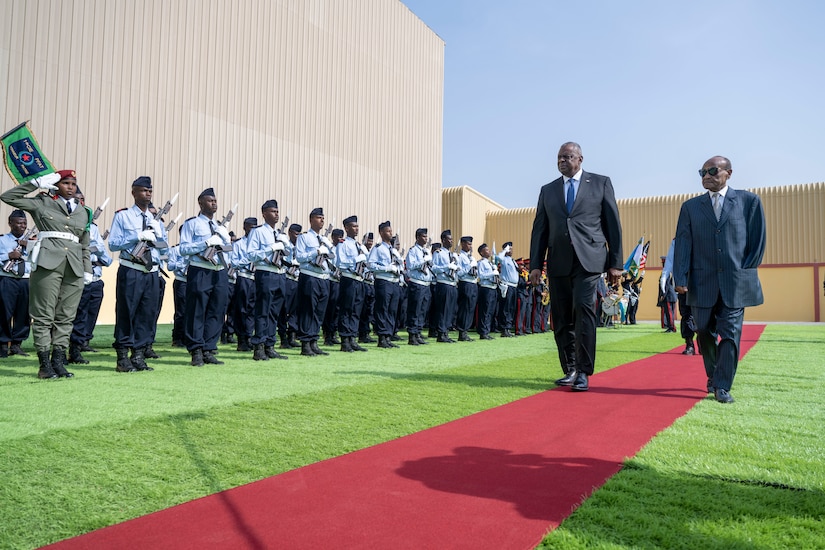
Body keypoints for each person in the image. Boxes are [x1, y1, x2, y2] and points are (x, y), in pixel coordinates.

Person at [529, 142, 623, 392]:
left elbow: (612, 224)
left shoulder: (601, 183)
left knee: (584, 312)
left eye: (567, 156)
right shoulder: (548, 190)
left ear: (580, 159)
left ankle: (583, 371)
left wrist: (615, 263)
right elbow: (540, 229)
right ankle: (569, 368)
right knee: (561, 319)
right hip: (558, 261)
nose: (562, 161)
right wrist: (536, 264)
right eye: (559, 157)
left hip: (589, 260)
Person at [673, 156, 766, 404]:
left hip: (735, 282)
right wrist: (680, 277)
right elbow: (682, 244)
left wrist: (745, 270)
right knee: (703, 330)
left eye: (712, 170)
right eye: (702, 171)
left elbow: (757, 242)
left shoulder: (749, 202)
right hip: (701, 283)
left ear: (728, 173)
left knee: (730, 334)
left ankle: (722, 385)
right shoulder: (690, 208)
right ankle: (713, 375)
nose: (706, 175)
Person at [1, 170, 92, 379]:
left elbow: (85, 244)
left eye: (73, 184)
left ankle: (58, 362)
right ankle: (44, 365)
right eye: (65, 183)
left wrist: (87, 270)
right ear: (55, 185)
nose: (70, 187)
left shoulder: (83, 211)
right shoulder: (42, 202)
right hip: (48, 264)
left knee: (66, 317)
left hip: (75, 267)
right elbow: (8, 197)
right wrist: (36, 183)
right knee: (43, 316)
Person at [108, 177, 168, 372]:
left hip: (151, 272)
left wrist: (159, 235)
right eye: (143, 191)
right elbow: (113, 244)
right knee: (127, 312)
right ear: (134, 193)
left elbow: (164, 248)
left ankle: (139, 355)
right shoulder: (123, 216)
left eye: (150, 191)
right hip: (131, 269)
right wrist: (137, 236)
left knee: (146, 314)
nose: (148, 194)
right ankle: (123, 357)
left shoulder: (154, 220)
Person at [179, 188, 232, 366]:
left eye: (215, 200)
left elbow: (228, 251)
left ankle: (209, 348)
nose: (214, 203)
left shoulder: (220, 227)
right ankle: (196, 350)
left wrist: (225, 243)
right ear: (200, 203)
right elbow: (183, 249)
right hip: (200, 269)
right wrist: (206, 243)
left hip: (219, 271)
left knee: (217, 310)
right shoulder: (191, 224)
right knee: (197, 310)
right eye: (210, 201)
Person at [68, 189, 113, 364]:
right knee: (75, 314)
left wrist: (98, 252)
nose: (81, 202)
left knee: (89, 313)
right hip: (76, 275)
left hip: (94, 276)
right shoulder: (68, 223)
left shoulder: (93, 227)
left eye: (83, 199)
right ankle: (67, 347)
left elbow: (105, 257)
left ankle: (81, 345)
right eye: (77, 199)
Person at [245, 200, 289, 361]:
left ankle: (270, 345)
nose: (276, 214)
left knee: (274, 312)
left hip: (280, 274)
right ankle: (259, 346)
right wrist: (270, 248)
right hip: (265, 273)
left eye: (277, 211)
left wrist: (286, 247)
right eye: (272, 211)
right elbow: (250, 254)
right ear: (264, 214)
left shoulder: (279, 234)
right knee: (263, 310)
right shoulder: (258, 232)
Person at [295, 207, 334, 356]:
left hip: (324, 278)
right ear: (311, 220)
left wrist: (328, 248)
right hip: (310, 276)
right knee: (308, 310)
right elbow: (299, 257)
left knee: (319, 311)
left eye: (323, 218)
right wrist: (316, 251)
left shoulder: (324, 240)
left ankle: (314, 341)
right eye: (319, 218)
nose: (322, 220)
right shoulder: (304, 238)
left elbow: (333, 259)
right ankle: (305, 343)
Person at [0, 209, 33, 358]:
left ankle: (17, 344)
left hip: (26, 279)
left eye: (24, 223)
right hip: (7, 279)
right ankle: (2, 344)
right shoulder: (2, 240)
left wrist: (30, 245)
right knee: (4, 312)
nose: (22, 226)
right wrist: (8, 255)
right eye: (19, 223)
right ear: (10, 223)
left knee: (24, 313)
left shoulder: (31, 241)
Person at [335, 215, 370, 352]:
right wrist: (356, 259)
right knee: (346, 309)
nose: (356, 229)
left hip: (359, 280)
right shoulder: (342, 244)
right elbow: (340, 263)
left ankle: (352, 338)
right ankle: (344, 340)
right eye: (353, 226)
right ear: (346, 228)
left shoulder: (359, 245)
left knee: (356, 310)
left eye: (357, 226)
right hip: (348, 279)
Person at [368, 221, 402, 348]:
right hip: (383, 281)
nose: (391, 233)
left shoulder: (393, 250)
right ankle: (382, 337)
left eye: (391, 231)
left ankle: (388, 335)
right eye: (388, 231)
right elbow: (370, 265)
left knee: (392, 310)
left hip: (394, 282)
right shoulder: (377, 248)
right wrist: (387, 268)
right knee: (382, 308)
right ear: (381, 233)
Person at [230, 217, 258, 352]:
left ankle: (248, 336)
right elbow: (234, 263)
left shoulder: (258, 243)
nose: (252, 230)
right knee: (241, 309)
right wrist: (249, 258)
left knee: (253, 310)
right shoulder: (239, 244)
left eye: (255, 227)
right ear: (244, 227)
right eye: (250, 227)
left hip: (256, 278)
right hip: (244, 277)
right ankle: (241, 338)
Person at [404, 228, 433, 345]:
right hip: (417, 283)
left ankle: (418, 333)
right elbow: (410, 265)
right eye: (423, 236)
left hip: (426, 284)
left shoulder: (426, 251)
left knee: (422, 310)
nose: (425, 239)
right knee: (414, 310)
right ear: (417, 237)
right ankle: (412, 335)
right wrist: (423, 260)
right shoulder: (413, 251)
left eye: (426, 237)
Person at [431, 230, 458, 343]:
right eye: (449, 239)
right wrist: (447, 267)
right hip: (443, 283)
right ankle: (441, 333)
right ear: (443, 240)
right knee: (443, 309)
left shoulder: (452, 255)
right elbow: (434, 268)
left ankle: (446, 331)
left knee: (450, 309)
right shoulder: (439, 253)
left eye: (452, 239)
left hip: (452, 284)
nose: (451, 241)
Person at [455, 236, 478, 342]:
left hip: (473, 284)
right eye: (468, 244)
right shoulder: (460, 257)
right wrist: (469, 266)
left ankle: (466, 330)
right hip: (465, 283)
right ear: (463, 244)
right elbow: (459, 273)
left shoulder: (471, 258)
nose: (470, 246)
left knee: (470, 308)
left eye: (471, 244)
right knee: (464, 308)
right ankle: (462, 332)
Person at [475, 243, 499, 340]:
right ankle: (483, 332)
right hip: (486, 288)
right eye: (486, 250)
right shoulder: (481, 263)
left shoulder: (490, 263)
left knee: (490, 311)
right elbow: (480, 276)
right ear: (481, 252)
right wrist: (492, 273)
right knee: (484, 311)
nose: (489, 251)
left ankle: (487, 330)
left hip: (493, 288)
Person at [497, 242, 519, 337]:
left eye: (511, 249)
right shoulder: (504, 259)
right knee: (505, 308)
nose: (511, 251)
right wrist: (504, 251)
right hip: (507, 286)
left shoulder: (513, 260)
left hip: (514, 286)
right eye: (509, 249)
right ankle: (504, 329)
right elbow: (498, 258)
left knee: (511, 308)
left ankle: (508, 328)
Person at [658, 255, 678, 333]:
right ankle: (671, 326)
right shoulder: (669, 272)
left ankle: (672, 327)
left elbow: (666, 286)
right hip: (670, 295)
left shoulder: (666, 273)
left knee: (669, 313)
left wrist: (663, 295)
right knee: (670, 313)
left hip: (669, 296)